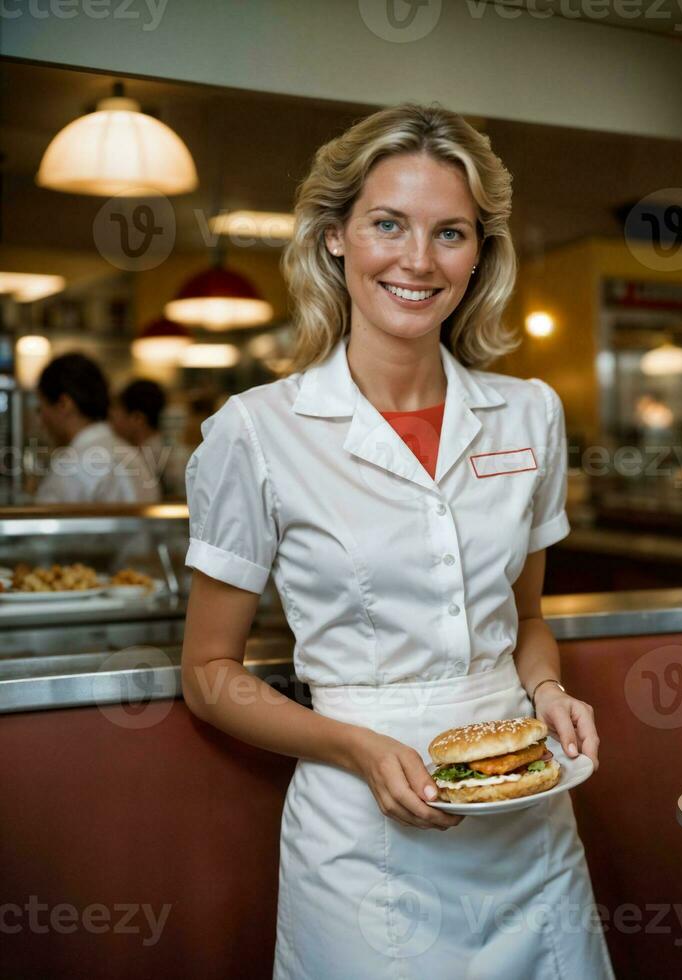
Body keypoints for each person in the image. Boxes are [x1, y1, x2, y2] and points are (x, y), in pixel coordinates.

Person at [179, 104, 612, 978]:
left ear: (480, 253)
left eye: (450, 232)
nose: (418, 261)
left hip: (526, 820)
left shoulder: (529, 412)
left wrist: (550, 689)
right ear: (336, 236)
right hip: (359, 841)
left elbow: (527, 620)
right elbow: (207, 675)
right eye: (388, 225)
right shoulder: (255, 431)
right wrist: (358, 747)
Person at [34, 353, 159, 504]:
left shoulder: (71, 466)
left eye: (41, 408)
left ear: (64, 404)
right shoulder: (132, 455)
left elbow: (46, 523)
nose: (41, 420)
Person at [110, 379, 190, 498]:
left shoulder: (173, 458)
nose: (114, 422)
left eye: (118, 414)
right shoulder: (177, 453)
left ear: (138, 419)